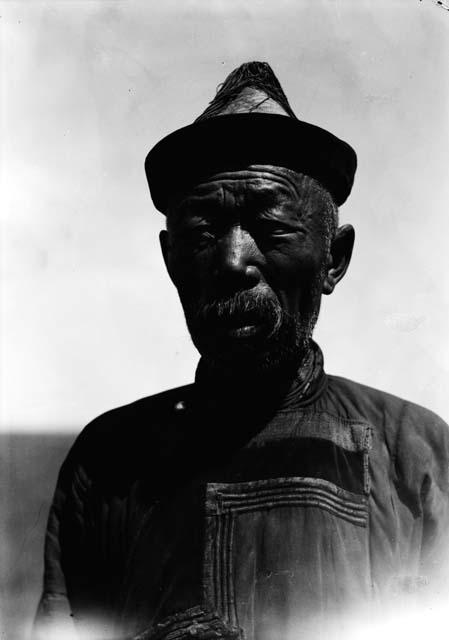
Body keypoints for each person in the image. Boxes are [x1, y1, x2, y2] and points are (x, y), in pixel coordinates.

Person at [34, 62, 449, 640]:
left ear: (334, 259)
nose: (232, 261)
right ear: (169, 260)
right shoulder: (105, 466)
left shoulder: (421, 460)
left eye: (271, 226)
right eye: (203, 232)